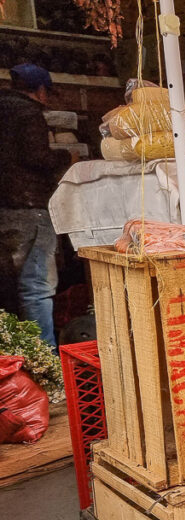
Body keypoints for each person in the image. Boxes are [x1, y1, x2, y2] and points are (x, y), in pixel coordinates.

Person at [0, 63, 71, 347]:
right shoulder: (29, 114)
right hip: (30, 206)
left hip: (4, 208)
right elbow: (36, 157)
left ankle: (16, 352)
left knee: (8, 286)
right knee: (36, 286)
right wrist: (66, 157)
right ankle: (44, 355)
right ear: (40, 91)